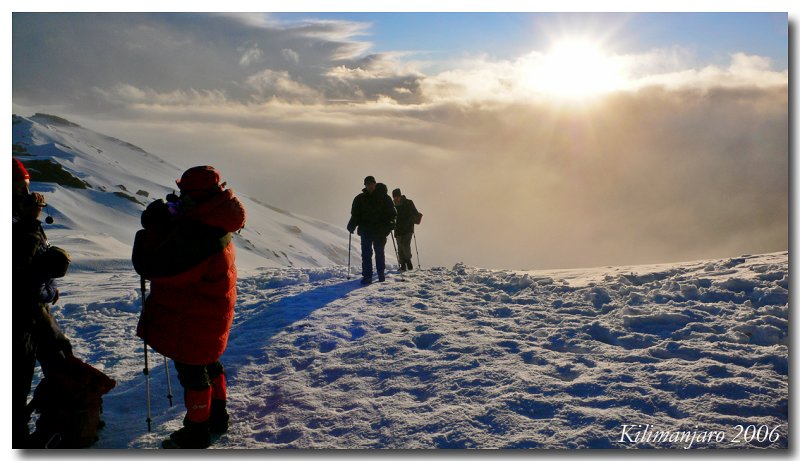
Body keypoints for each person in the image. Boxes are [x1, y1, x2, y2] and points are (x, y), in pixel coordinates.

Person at [133, 166, 246, 449]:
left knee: (193, 374)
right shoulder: (214, 220)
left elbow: (156, 266)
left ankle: (196, 431)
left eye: (184, 194)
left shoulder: (200, 237)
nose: (180, 199)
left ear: (196, 196)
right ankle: (218, 417)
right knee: (209, 362)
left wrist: (152, 230)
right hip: (208, 312)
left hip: (193, 316)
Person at [12, 191, 73, 448]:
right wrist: (48, 291)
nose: (37, 210)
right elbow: (26, 283)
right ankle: (17, 433)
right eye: (34, 206)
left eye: (38, 206)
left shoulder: (24, 231)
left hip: (27, 312)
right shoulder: (26, 237)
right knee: (20, 372)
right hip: (24, 314)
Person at [347, 176, 396, 284]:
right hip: (366, 230)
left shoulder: (383, 197)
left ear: (375, 184)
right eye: (367, 184)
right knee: (366, 254)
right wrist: (352, 225)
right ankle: (367, 276)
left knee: (379, 252)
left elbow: (392, 213)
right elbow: (356, 215)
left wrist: (391, 223)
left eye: (371, 183)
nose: (369, 185)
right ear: (365, 185)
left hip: (380, 230)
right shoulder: (360, 198)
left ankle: (380, 274)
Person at [392, 188, 421, 271]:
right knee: (400, 247)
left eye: (397, 196)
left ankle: (408, 260)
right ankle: (403, 264)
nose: (396, 198)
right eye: (394, 197)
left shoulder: (408, 203)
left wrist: (410, 219)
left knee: (405, 245)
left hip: (408, 228)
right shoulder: (392, 205)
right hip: (398, 229)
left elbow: (415, 213)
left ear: (400, 196)